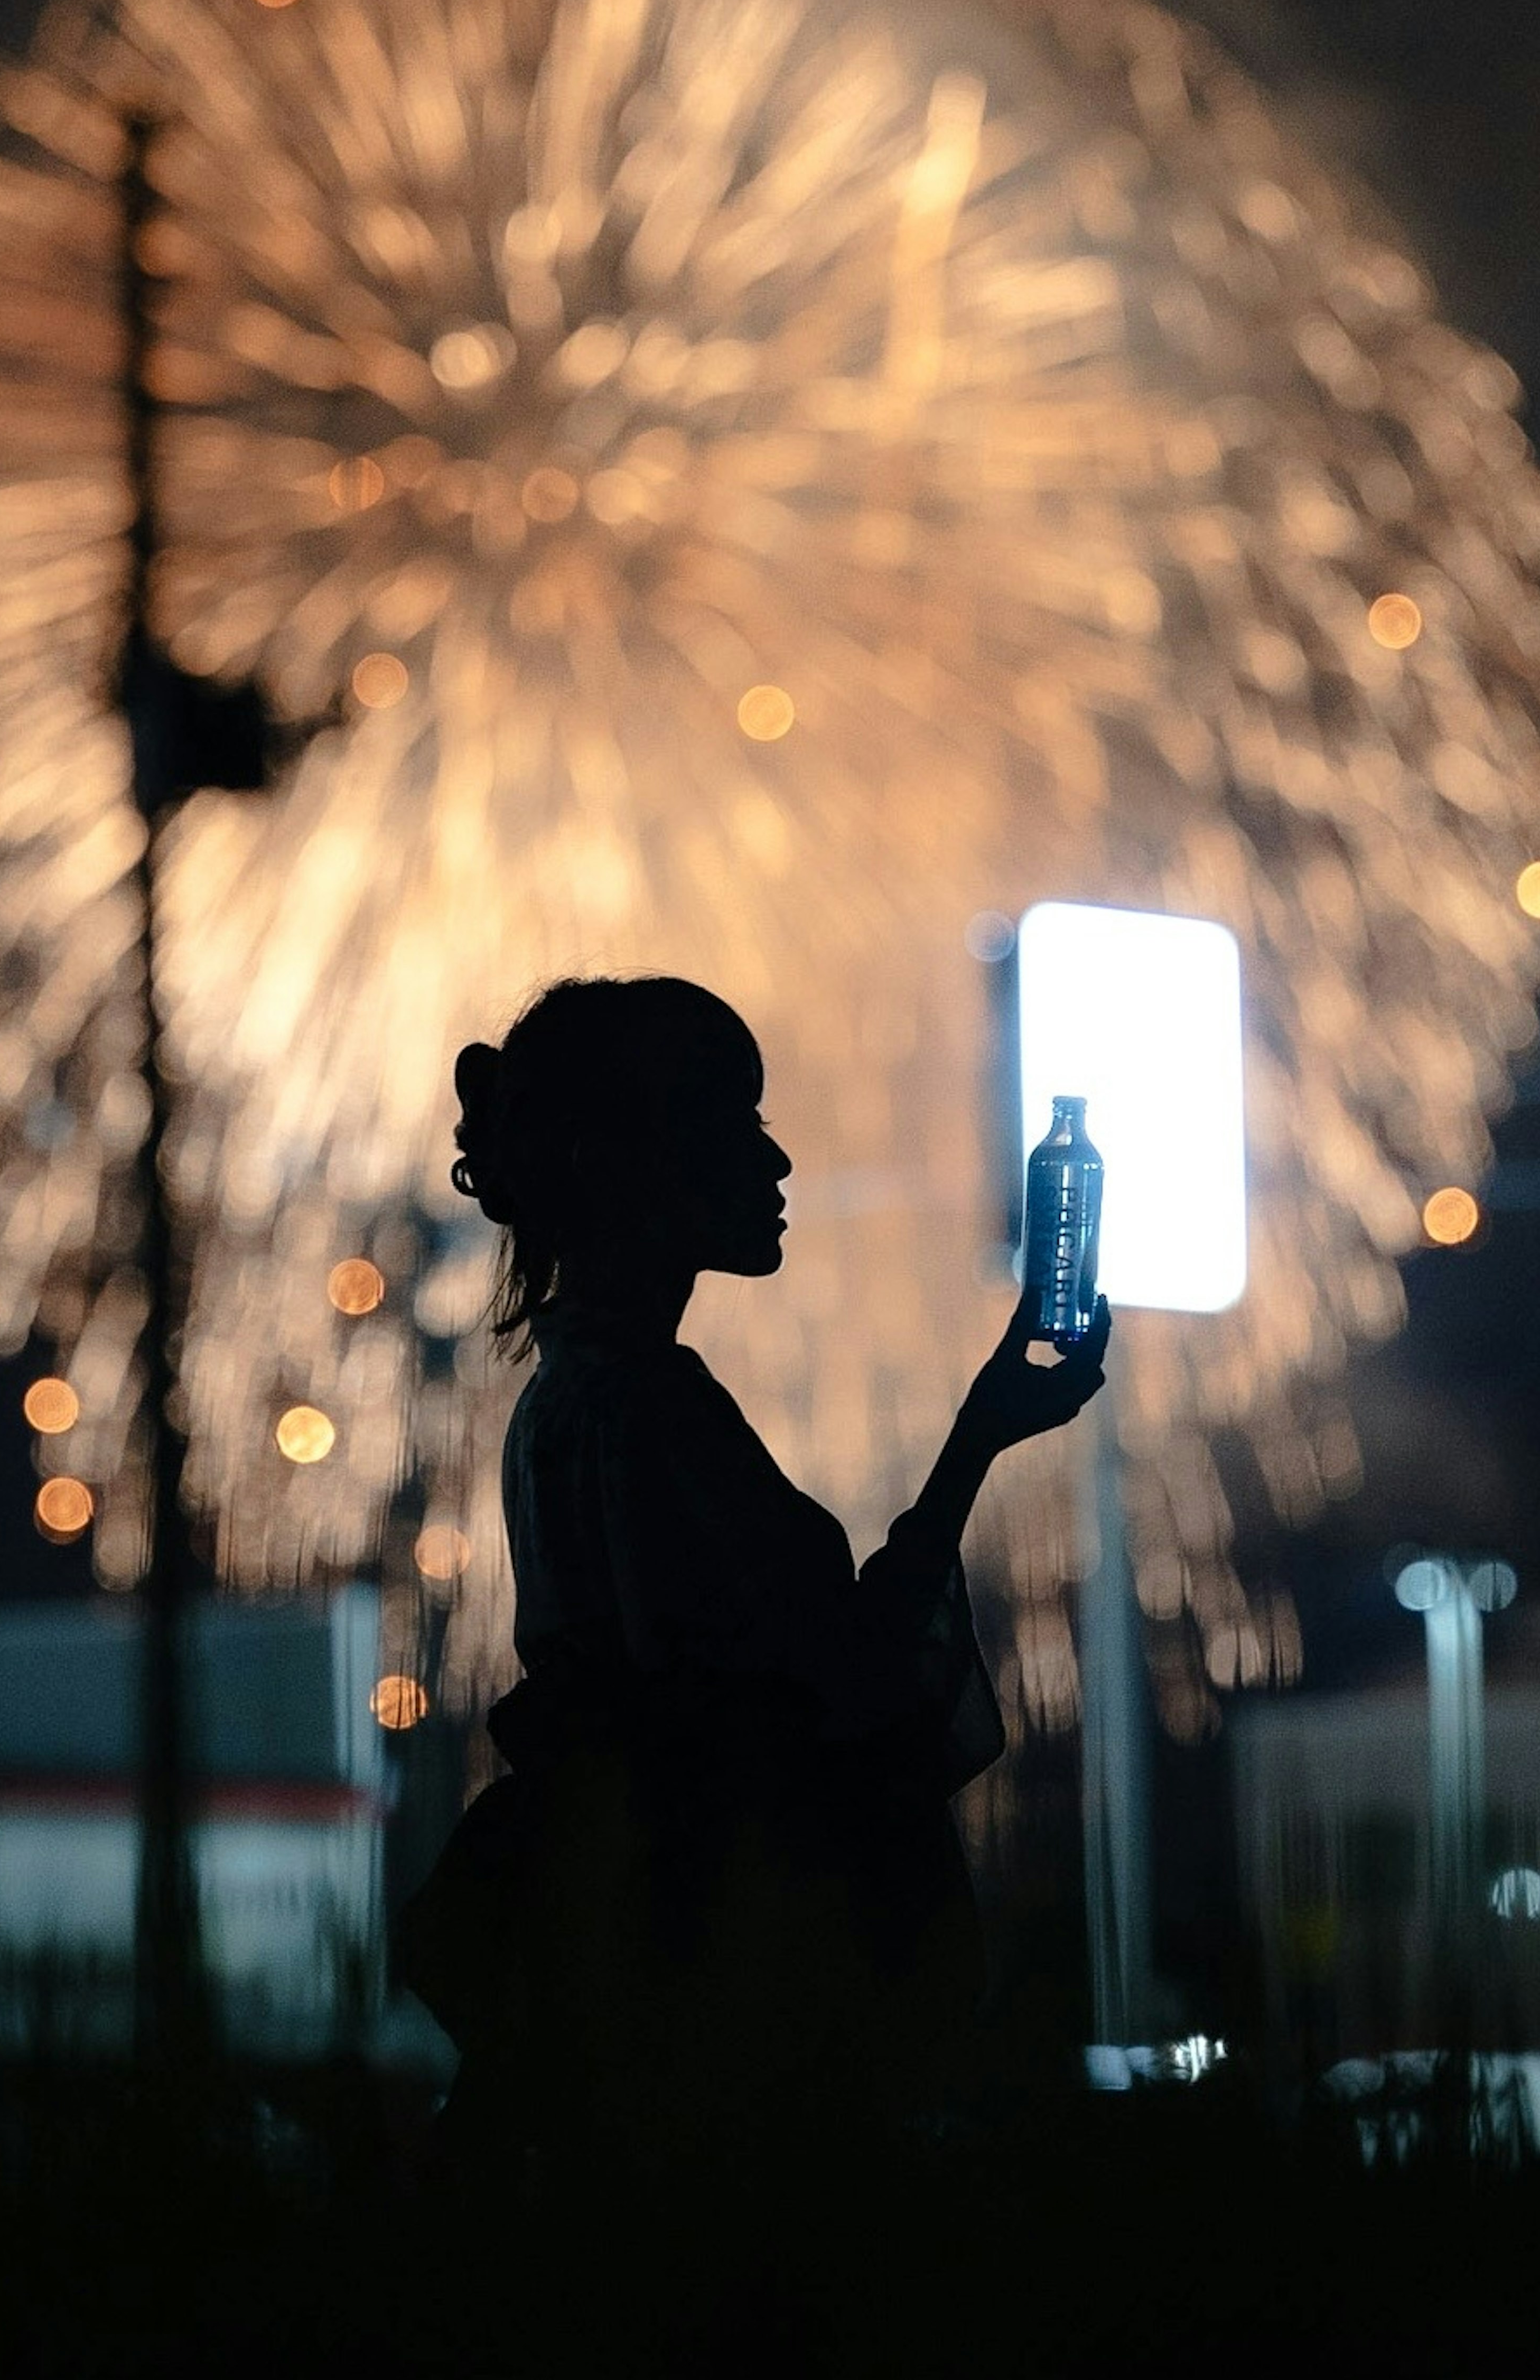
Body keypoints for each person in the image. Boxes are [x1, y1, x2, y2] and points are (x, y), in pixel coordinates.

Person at [398, 973, 1108, 2293]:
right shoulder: (653, 1407)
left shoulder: (566, 1401)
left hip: (629, 1943)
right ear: (647, 1158)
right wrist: (975, 1441)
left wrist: (977, 1434)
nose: (778, 1159)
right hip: (717, 1968)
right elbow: (830, 1687)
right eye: (736, 1119)